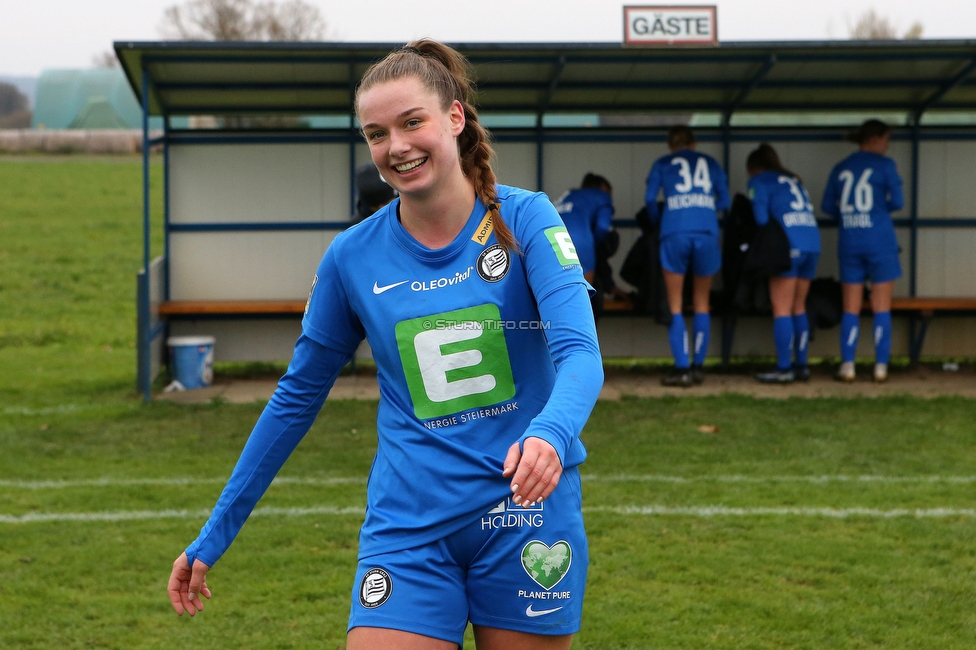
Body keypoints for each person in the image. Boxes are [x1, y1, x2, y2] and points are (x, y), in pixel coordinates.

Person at [166, 39, 604, 650]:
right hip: (409, 527)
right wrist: (215, 532)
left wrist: (550, 435)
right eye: (376, 133)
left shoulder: (529, 219)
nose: (395, 146)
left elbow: (580, 353)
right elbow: (295, 398)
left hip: (527, 517)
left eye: (411, 122)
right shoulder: (352, 256)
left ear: (455, 118)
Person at [645, 125, 731, 387]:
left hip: (675, 231)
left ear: (671, 145)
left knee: (676, 304)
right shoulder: (711, 162)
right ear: (694, 144)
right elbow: (725, 202)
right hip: (706, 231)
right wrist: (703, 208)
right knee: (702, 301)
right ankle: (699, 367)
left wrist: (661, 220)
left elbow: (650, 199)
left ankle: (682, 369)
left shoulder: (662, 163)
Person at [821, 119, 904, 382]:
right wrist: (876, 211)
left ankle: (848, 365)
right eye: (886, 140)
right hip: (881, 242)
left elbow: (827, 206)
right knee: (881, 307)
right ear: (873, 139)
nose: (887, 146)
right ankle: (881, 367)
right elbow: (898, 202)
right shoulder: (886, 166)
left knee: (850, 308)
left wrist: (850, 214)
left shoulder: (840, 167)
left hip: (850, 242)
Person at [746, 144, 821, 383]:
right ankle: (802, 365)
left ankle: (783, 367)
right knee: (799, 306)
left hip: (788, 247)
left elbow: (760, 219)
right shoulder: (794, 180)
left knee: (781, 308)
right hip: (812, 243)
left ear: (753, 168)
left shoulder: (759, 182)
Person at [553, 173, 615, 319]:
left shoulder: (567, 195)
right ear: (604, 188)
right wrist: (597, 248)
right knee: (582, 302)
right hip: (579, 242)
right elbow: (602, 227)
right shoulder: (602, 195)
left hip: (548, 241)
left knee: (555, 300)